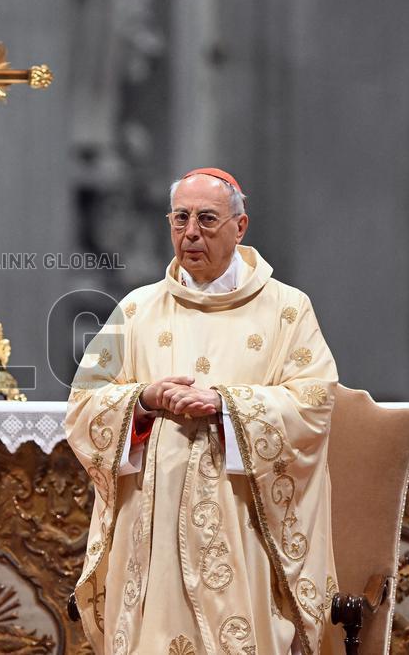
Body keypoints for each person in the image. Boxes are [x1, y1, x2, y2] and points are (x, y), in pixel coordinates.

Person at [65, 168, 340, 654]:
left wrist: (225, 404)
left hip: (241, 525)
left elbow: (314, 402)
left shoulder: (287, 310)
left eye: (207, 219)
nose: (191, 232)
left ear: (240, 226)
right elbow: (84, 403)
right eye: (180, 219)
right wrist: (145, 399)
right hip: (152, 524)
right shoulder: (137, 309)